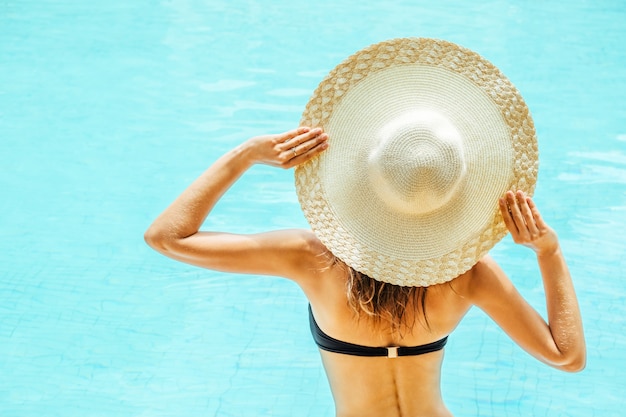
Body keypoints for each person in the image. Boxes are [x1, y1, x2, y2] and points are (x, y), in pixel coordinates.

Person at [144, 38, 585, 417]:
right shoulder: (468, 274)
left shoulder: (310, 258)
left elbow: (166, 237)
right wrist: (549, 252)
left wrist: (244, 155)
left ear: (361, 180)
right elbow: (567, 358)